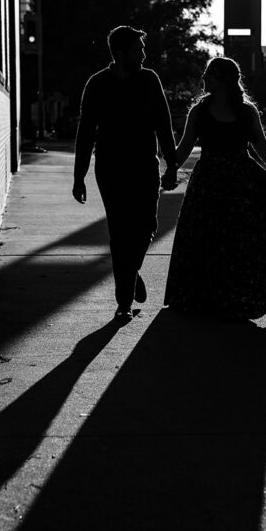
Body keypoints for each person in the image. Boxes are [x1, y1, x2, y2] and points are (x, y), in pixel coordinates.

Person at [163, 56, 266, 320]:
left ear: (223, 80)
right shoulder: (199, 112)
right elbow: (184, 148)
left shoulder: (247, 112)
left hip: (242, 187)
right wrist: (170, 170)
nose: (204, 79)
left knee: (236, 242)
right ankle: (198, 297)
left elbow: (262, 147)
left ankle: (233, 298)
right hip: (207, 185)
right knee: (203, 239)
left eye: (209, 75)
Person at [73, 25, 179, 321]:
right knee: (120, 232)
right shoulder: (97, 84)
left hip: (145, 166)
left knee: (146, 226)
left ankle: (129, 272)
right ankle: (123, 302)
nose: (143, 55)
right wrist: (78, 175)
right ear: (120, 54)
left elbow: (163, 123)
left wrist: (172, 164)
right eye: (137, 50)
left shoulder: (149, 80)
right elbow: (86, 132)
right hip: (110, 168)